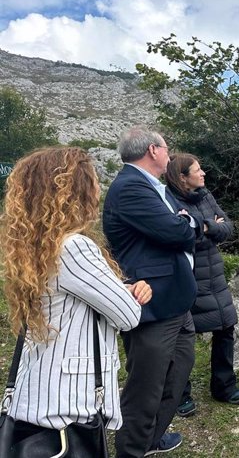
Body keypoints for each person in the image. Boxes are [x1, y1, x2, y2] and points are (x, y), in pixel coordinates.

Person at [0, 147, 151, 446]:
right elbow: (129, 316)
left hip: (39, 394)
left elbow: (77, 296)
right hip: (66, 409)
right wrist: (128, 294)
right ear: (75, 189)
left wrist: (120, 291)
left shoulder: (38, 246)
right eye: (91, 180)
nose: (96, 189)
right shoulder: (74, 247)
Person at [103, 127, 201, 457]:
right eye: (166, 148)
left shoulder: (148, 185)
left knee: (178, 371)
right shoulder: (129, 187)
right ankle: (131, 450)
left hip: (175, 300)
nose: (170, 154)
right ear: (152, 150)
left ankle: (151, 438)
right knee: (146, 386)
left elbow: (178, 227)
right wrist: (190, 224)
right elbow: (177, 230)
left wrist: (186, 223)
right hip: (151, 303)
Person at [164, 153, 239, 417]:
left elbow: (228, 228)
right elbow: (181, 235)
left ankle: (224, 386)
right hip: (188, 277)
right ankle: (180, 394)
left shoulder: (205, 195)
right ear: (182, 177)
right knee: (182, 338)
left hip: (214, 276)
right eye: (198, 170)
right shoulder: (167, 200)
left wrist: (205, 227)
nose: (203, 174)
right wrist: (210, 228)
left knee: (225, 327)